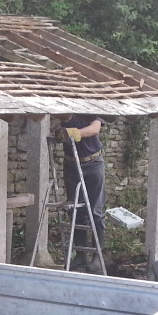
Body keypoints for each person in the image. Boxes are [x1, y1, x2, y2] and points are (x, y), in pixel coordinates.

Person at [58, 115, 105, 272]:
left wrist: (74, 133)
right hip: (71, 165)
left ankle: (98, 257)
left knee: (95, 211)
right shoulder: (62, 112)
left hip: (93, 164)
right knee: (75, 210)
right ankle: (80, 255)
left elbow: (95, 128)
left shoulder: (89, 110)